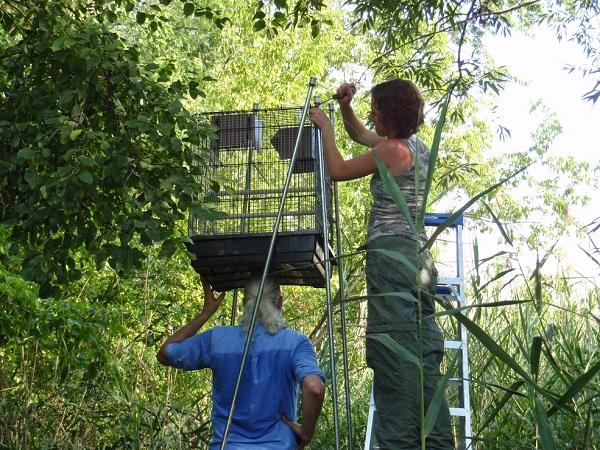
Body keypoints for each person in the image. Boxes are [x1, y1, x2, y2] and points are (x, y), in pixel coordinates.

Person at [309, 79, 454, 449]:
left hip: (392, 254)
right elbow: (360, 135)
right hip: (416, 257)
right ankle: (434, 440)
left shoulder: (393, 152)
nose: (371, 113)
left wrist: (324, 126)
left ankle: (399, 440)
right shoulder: (413, 148)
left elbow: (338, 170)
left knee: (394, 349)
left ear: (389, 113)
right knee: (420, 348)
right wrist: (344, 109)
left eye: (375, 108)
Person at [157, 277, 326, 450]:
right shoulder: (295, 342)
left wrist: (205, 313)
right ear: (280, 303)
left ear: (244, 304)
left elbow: (165, 354)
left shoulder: (217, 339)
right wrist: (306, 434)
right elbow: (314, 387)